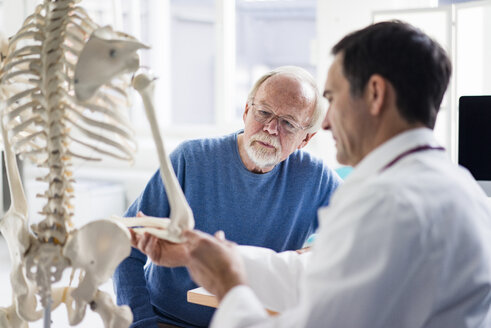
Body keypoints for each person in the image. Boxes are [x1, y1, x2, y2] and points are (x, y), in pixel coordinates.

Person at [132, 21, 491, 327]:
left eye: (332, 99)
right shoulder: (454, 188)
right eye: (265, 114)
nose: (329, 122)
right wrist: (207, 253)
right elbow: (318, 277)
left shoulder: (391, 204)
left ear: (376, 94)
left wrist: (229, 288)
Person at [113, 66, 342, 327]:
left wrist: (314, 252)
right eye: (263, 112)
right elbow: (124, 247)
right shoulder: (191, 160)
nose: (270, 128)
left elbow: (358, 238)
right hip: (169, 320)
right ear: (246, 111)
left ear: (305, 139)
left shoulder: (316, 178)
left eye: (288, 123)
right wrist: (141, 322)